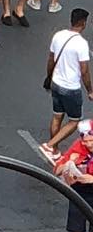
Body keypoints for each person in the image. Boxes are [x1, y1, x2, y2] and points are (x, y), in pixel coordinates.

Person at [40, 9, 92, 161]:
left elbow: (51, 59)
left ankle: (54, 151)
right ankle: (49, 145)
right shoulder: (81, 44)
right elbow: (84, 71)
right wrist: (90, 90)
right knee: (74, 121)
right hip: (70, 88)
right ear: (83, 23)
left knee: (57, 116)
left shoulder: (58, 36)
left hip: (56, 83)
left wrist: (49, 77)